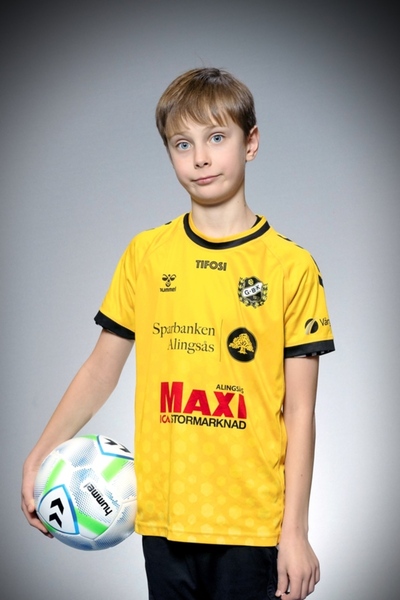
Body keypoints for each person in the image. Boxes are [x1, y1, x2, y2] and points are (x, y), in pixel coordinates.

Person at [22, 67, 335, 600]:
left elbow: (300, 411)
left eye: (217, 138)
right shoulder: (146, 254)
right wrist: (41, 453)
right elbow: (101, 369)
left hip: (251, 524)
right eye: (182, 144)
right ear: (169, 153)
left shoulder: (290, 267)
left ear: (250, 142)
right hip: (164, 519)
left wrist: (295, 532)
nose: (201, 158)